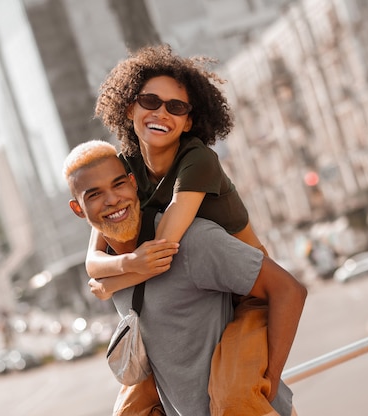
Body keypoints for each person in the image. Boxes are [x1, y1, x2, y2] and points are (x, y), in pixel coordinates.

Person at [85, 44, 288, 415]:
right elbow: (93, 260)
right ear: (130, 107)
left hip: (246, 293)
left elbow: (164, 247)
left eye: (176, 107)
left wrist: (112, 281)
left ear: (189, 121)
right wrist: (113, 272)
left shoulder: (197, 159)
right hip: (197, 288)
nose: (161, 112)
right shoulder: (125, 166)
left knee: (235, 400)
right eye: (150, 101)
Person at [64, 140, 307, 415]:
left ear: (133, 183)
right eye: (94, 195)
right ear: (78, 209)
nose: (112, 200)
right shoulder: (110, 268)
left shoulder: (192, 242)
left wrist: (270, 381)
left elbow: (290, 290)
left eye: (118, 184)